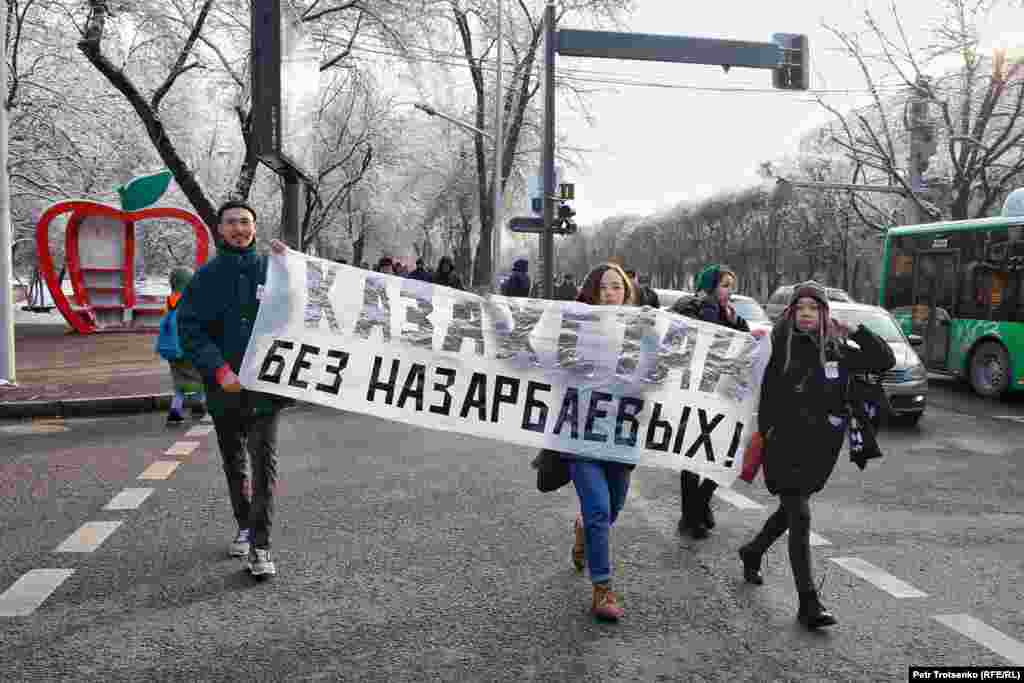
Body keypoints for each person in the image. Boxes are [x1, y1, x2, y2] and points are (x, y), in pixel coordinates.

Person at [737, 281, 894, 629]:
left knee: (791, 512)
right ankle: (808, 602)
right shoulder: (777, 345)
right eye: (801, 308)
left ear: (824, 313)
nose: (806, 313)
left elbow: (884, 359)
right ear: (792, 312)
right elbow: (762, 392)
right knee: (801, 515)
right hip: (783, 445)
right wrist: (768, 433)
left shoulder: (836, 346)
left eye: (814, 308)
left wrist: (855, 330)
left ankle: (753, 550)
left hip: (821, 448)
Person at [177, 200, 295, 579]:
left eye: (245, 222)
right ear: (219, 230)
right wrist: (219, 368)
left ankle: (261, 546)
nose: (239, 228)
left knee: (264, 465)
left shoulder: (274, 270)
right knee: (235, 461)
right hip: (224, 388)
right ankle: (245, 524)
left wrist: (293, 267)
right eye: (231, 223)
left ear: (255, 228)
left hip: (265, 389)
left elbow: (303, 308)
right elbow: (190, 330)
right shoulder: (205, 277)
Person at [563, 262, 638, 621]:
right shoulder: (574, 327)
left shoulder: (641, 332)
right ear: (592, 291)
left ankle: (582, 532)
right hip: (581, 434)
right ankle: (603, 590)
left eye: (617, 288)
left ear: (626, 294)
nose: (610, 293)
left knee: (610, 511)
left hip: (621, 438)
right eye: (604, 287)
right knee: (597, 510)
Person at [670, 264, 748, 539]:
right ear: (711, 285)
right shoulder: (689, 305)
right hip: (692, 392)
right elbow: (703, 336)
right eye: (725, 285)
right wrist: (717, 311)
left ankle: (700, 506)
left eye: (732, 286)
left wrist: (738, 322)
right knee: (692, 456)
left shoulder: (730, 313)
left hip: (721, 395)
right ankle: (690, 517)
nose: (730, 292)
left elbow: (743, 343)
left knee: (719, 456)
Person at [156, 267, 206, 426]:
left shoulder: (171, 300)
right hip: (187, 348)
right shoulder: (190, 301)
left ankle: (175, 412)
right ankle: (198, 405)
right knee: (200, 377)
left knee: (180, 382)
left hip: (171, 350)